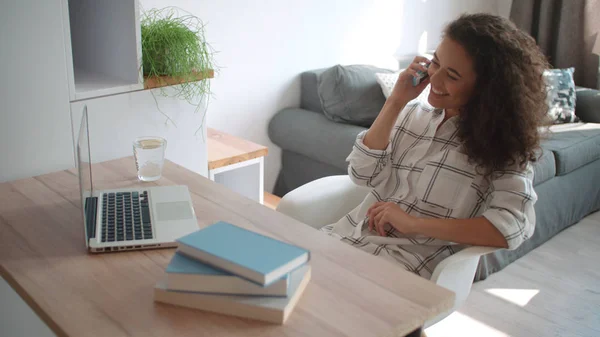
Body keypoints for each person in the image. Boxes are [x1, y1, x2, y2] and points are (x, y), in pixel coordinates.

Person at [321, 13, 550, 279]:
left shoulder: (502, 147)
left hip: (404, 269)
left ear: (487, 88)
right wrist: (396, 100)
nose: (436, 80)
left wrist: (415, 224)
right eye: (436, 63)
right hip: (344, 239)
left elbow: (513, 226)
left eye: (452, 75)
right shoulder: (412, 113)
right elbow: (362, 174)